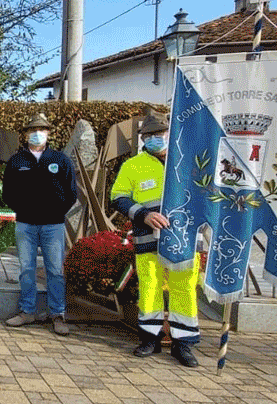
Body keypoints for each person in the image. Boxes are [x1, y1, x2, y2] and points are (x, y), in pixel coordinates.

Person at [111, 112, 200, 367]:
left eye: (159, 134)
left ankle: (183, 344)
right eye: (149, 135)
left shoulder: (189, 160)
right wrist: (144, 214)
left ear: (169, 134)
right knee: (150, 287)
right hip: (147, 237)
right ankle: (150, 339)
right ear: (143, 139)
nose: (154, 139)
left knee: (184, 288)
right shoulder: (133, 165)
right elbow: (117, 197)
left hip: (184, 239)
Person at [2, 113, 76, 336]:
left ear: (48, 133)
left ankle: (57, 314)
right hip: (25, 224)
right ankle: (27, 311)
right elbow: (8, 193)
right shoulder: (16, 161)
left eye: (42, 130)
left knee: (55, 270)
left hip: (53, 225)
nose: (37, 134)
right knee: (26, 269)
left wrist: (56, 212)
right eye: (33, 130)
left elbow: (71, 193)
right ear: (25, 134)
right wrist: (22, 210)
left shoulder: (61, 160)